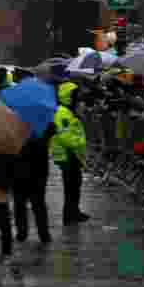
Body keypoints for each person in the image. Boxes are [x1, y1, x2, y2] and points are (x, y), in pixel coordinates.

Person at [51, 82, 89, 225]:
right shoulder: (62, 112)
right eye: (75, 95)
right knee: (71, 185)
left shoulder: (67, 111)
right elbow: (64, 135)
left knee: (75, 184)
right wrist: (78, 143)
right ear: (68, 96)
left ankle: (74, 211)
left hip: (72, 154)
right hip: (67, 154)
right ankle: (69, 215)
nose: (78, 98)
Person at [13, 123, 56, 245]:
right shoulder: (43, 123)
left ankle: (22, 232)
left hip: (20, 171)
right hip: (38, 171)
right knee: (38, 204)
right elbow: (53, 130)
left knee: (20, 203)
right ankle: (43, 234)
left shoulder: (13, 122)